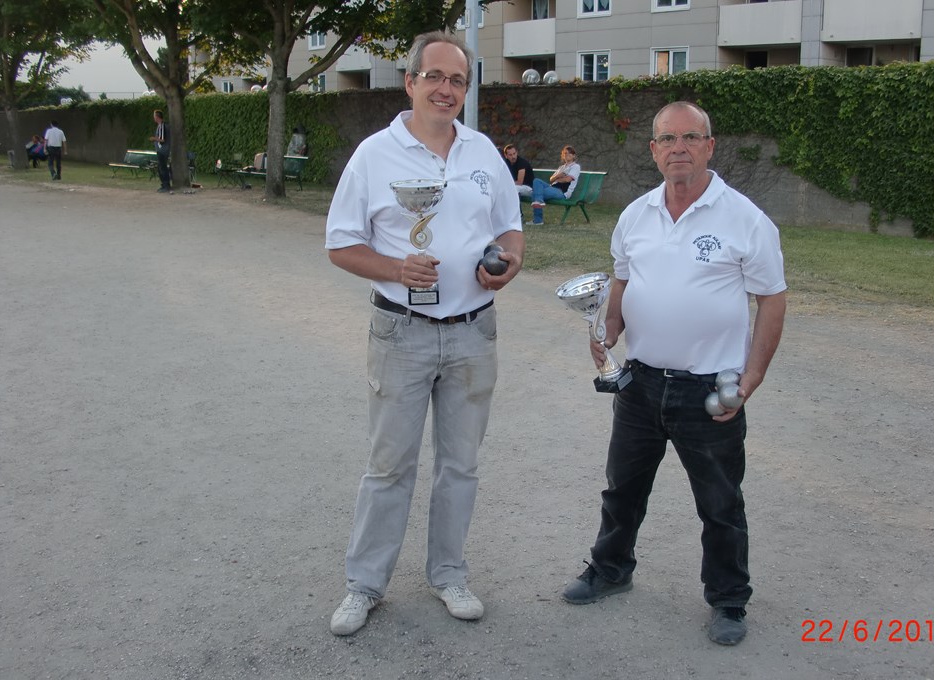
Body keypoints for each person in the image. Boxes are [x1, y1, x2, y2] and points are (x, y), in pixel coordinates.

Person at [560, 101, 787, 647]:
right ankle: (611, 569)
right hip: (639, 382)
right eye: (667, 139)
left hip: (710, 389)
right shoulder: (635, 215)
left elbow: (772, 301)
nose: (678, 148)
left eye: (690, 137)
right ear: (653, 149)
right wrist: (607, 332)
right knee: (622, 488)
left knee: (719, 501)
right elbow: (621, 283)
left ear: (710, 146)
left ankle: (729, 599)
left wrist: (750, 379)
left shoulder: (745, 219)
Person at [324, 30, 524, 637]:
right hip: (401, 330)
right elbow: (340, 244)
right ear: (410, 82)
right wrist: (396, 268)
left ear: (466, 89)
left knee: (460, 466)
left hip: (471, 331)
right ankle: (365, 586)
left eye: (457, 80)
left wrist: (504, 267)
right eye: (433, 76)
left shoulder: (483, 151)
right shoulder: (374, 155)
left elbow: (510, 231)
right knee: (389, 467)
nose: (445, 89)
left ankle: (448, 574)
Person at [529, 145, 580, 225]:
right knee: (536, 181)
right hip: (553, 187)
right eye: (565, 153)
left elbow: (568, 179)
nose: (567, 155)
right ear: (563, 156)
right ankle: (539, 202)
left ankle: (538, 220)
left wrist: (558, 179)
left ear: (574, 156)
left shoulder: (575, 167)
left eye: (570, 153)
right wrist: (558, 176)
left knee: (534, 194)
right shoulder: (562, 167)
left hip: (562, 192)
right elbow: (551, 179)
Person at [150, 110, 171, 192]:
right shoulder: (160, 126)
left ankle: (166, 185)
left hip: (163, 151)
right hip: (161, 150)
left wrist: (154, 138)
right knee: (160, 168)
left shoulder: (162, 126)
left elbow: (162, 140)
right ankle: (164, 185)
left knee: (163, 168)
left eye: (154, 116)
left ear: (157, 117)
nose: (153, 118)